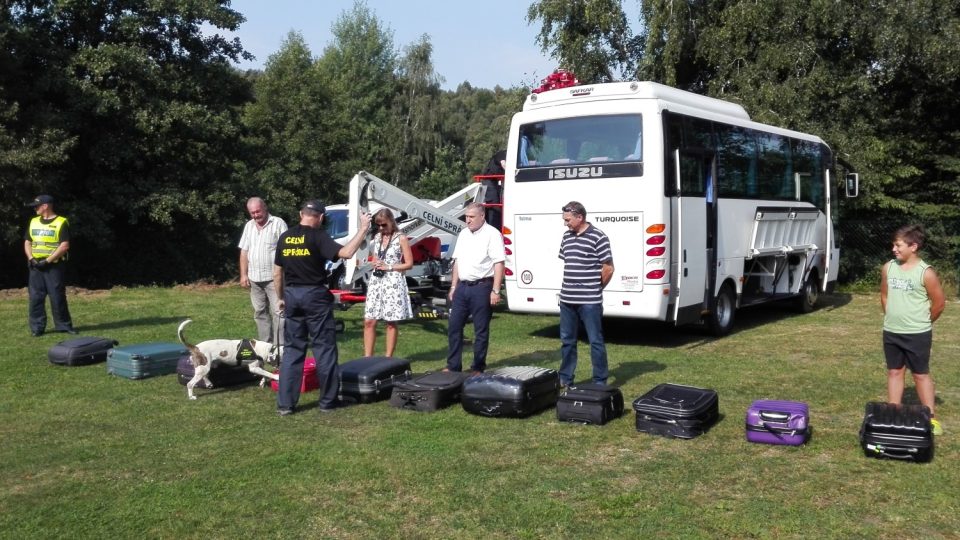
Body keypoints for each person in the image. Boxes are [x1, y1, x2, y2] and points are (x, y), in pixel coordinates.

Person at [273, 200, 371, 416]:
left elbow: (277, 272)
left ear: (301, 214)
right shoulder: (317, 236)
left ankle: (286, 405)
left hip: (292, 295)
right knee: (324, 348)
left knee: (292, 351)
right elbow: (346, 253)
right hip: (314, 296)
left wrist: (280, 297)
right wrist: (363, 229)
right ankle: (328, 401)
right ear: (321, 217)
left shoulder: (285, 237)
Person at [880, 224, 946, 435]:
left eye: (898, 245)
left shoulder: (926, 273)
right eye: (893, 245)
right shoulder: (888, 267)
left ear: (913, 246)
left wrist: (922, 323)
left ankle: (931, 417)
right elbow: (884, 296)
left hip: (917, 333)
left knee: (920, 374)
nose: (894, 249)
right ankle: (893, 412)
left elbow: (939, 303)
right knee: (894, 371)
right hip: (891, 330)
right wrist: (892, 317)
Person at [444, 202, 505, 374]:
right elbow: (457, 261)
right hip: (462, 287)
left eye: (471, 217)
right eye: (466, 217)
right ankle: (453, 365)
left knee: (481, 329)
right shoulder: (463, 234)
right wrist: (453, 285)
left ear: (482, 216)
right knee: (454, 326)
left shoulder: (492, 234)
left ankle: (478, 367)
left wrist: (495, 290)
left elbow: (498, 263)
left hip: (482, 287)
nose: (467, 220)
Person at [558, 201, 614, 387]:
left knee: (595, 342)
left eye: (568, 220)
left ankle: (599, 381)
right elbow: (568, 263)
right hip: (567, 300)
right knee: (567, 341)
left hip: (590, 301)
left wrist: (595, 288)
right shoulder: (566, 237)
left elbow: (608, 269)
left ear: (580, 217)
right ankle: (565, 378)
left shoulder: (599, 237)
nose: (565, 223)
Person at [23, 194, 77, 337]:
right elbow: (27, 242)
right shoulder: (33, 222)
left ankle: (64, 326)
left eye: (36, 206)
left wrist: (47, 261)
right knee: (35, 297)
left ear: (45, 206)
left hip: (53, 266)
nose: (35, 209)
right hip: (35, 266)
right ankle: (37, 328)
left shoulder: (61, 222)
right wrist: (32, 258)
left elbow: (64, 246)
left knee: (57, 296)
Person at [363, 209, 414, 357]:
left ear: (391, 222)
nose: (381, 229)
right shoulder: (378, 237)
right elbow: (373, 256)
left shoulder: (401, 238)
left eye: (384, 225)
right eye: (378, 225)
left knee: (391, 321)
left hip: (393, 281)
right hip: (377, 281)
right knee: (369, 320)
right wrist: (374, 262)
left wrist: (389, 266)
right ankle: (367, 358)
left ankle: (388, 357)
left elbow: (409, 264)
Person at [238, 197, 288, 343]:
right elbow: (244, 252)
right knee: (260, 312)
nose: (255, 215)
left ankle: (280, 347)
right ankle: (264, 345)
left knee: (279, 312)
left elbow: (286, 251)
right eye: (252, 213)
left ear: (265, 207)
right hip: (254, 278)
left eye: (258, 211)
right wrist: (243, 275)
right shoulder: (249, 226)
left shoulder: (278, 224)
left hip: (274, 278)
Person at [480, 149, 506, 230]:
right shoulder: (503, 154)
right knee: (494, 206)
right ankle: (494, 229)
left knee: (498, 206)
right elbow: (504, 164)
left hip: (495, 182)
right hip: (489, 181)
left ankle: (496, 227)